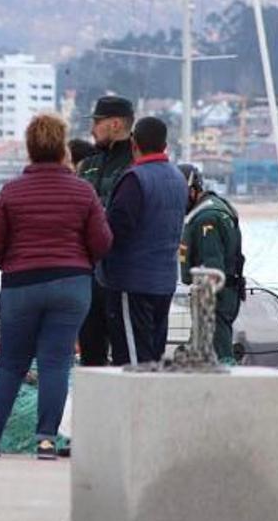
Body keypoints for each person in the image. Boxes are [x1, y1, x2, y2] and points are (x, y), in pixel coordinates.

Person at [0, 113, 113, 459]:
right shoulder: (83, 191)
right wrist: (82, 262)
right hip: (70, 283)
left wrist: (10, 264)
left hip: (20, 284)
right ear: (62, 148)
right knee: (56, 361)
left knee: (11, 362)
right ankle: (47, 439)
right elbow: (102, 241)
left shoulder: (12, 191)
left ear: (30, 148)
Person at [99, 116, 187, 365]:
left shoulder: (134, 179)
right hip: (165, 281)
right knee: (152, 356)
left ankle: (134, 404)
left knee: (131, 360)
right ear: (164, 144)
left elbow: (115, 229)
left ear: (134, 143)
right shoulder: (178, 178)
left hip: (132, 282)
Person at [75, 95, 136, 366]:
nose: (92, 129)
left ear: (114, 124)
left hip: (122, 274)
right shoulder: (88, 164)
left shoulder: (136, 163)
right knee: (90, 352)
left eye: (97, 123)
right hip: (87, 274)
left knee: (125, 354)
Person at [176, 163, 244, 363]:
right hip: (218, 298)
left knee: (219, 357)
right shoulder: (215, 209)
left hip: (215, 301)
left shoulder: (207, 219)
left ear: (192, 190)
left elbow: (212, 270)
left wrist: (205, 303)